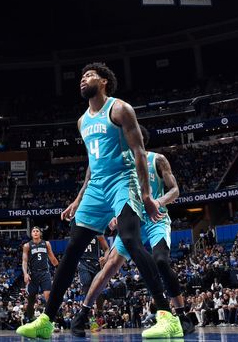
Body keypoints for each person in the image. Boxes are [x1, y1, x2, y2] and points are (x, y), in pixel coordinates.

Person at [17, 62, 181, 339]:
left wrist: (146, 195)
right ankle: (46, 320)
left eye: (89, 75)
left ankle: (167, 316)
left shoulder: (120, 109)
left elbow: (140, 152)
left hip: (122, 181)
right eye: (81, 77)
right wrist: (79, 198)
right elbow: (92, 164)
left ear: (104, 82)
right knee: (72, 251)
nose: (83, 80)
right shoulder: (82, 121)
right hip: (96, 187)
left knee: (130, 239)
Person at [70, 126, 195, 336]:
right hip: (134, 221)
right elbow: (112, 192)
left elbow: (175, 190)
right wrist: (113, 215)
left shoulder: (157, 159)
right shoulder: (120, 164)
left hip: (156, 219)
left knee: (161, 261)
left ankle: (181, 314)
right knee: (109, 267)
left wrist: (159, 201)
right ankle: (83, 314)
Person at [21, 226, 59, 319]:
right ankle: (30, 318)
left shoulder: (46, 243)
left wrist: (59, 268)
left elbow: (52, 258)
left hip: (45, 273)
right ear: (31, 234)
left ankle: (52, 319)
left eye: (37, 231)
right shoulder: (27, 246)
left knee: (48, 296)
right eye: (33, 231)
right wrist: (25, 273)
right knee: (31, 298)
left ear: (40, 233)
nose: (35, 232)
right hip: (33, 274)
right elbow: (24, 261)